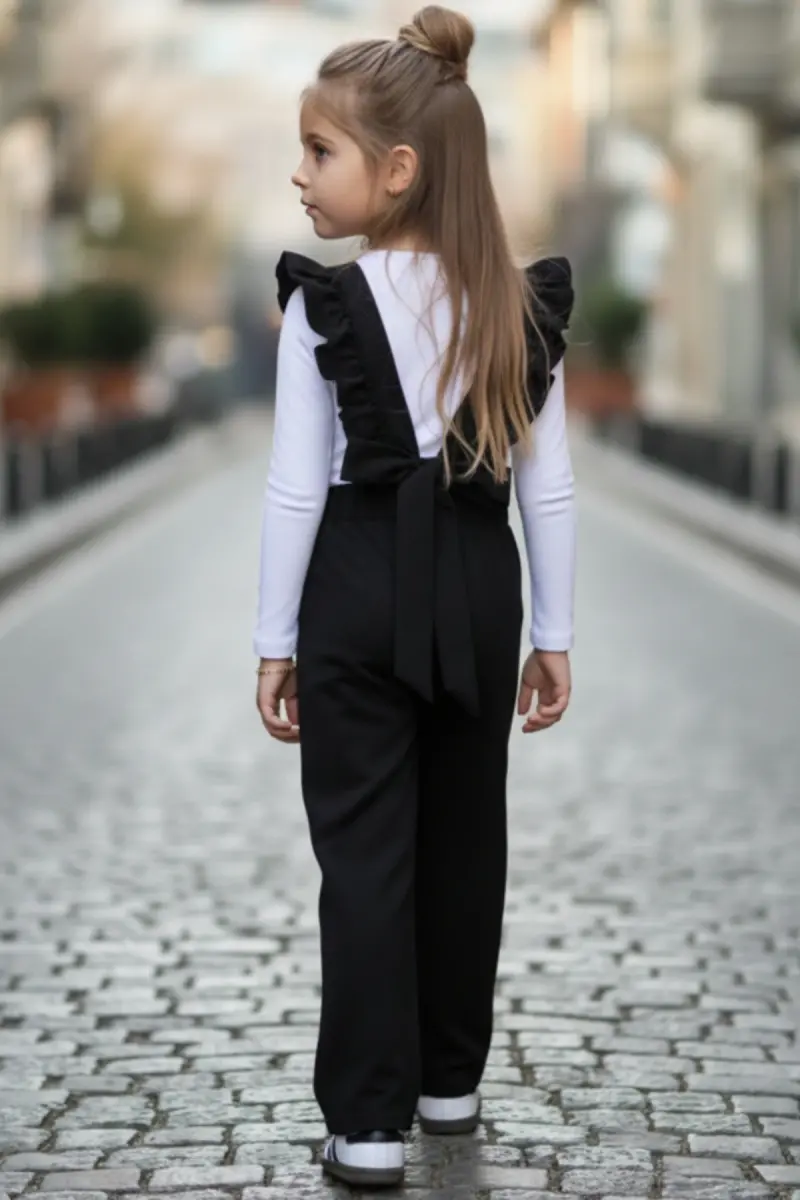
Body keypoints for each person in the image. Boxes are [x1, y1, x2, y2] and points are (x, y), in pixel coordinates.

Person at [253, 5, 576, 1189]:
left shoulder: (322, 307)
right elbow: (548, 489)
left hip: (354, 583)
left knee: (364, 852)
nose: (298, 173)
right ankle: (449, 1082)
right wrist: (553, 634)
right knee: (463, 835)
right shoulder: (516, 304)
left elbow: (296, 490)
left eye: (318, 150)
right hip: (480, 585)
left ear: (396, 170)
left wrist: (274, 641)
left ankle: (368, 1124)